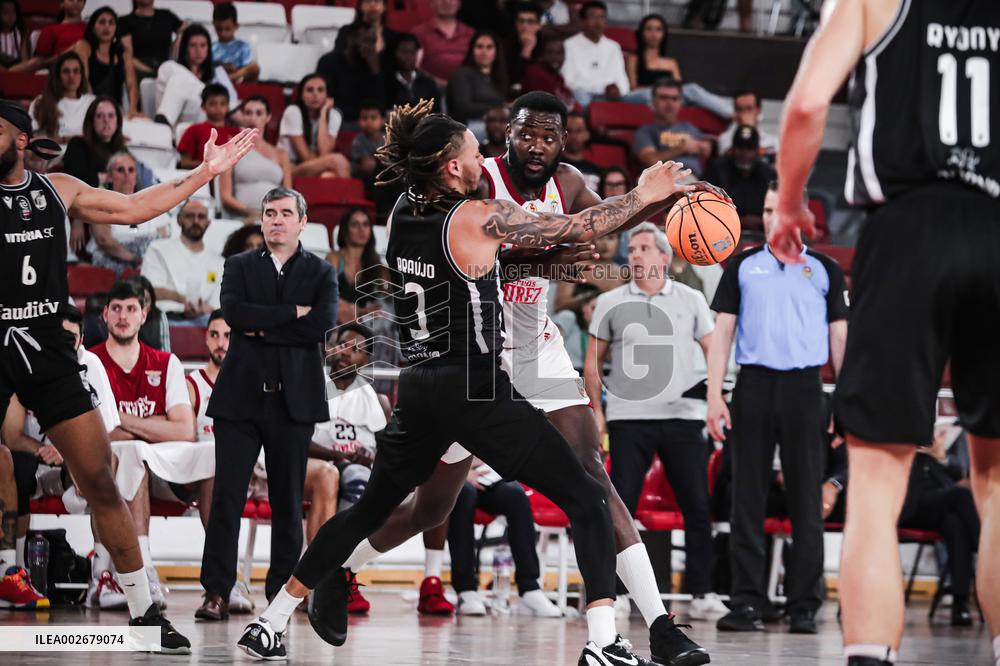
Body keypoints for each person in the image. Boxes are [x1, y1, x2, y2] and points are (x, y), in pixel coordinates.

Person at [237, 95, 710, 666]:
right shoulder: (477, 201)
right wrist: (636, 199)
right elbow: (561, 230)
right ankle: (601, 643)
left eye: (548, 135)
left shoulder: (407, 209)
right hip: (480, 376)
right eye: (482, 146)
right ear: (455, 164)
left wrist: (635, 211)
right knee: (440, 508)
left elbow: (553, 232)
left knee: (588, 479)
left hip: (452, 372)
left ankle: (273, 618)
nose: (494, 151)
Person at [769, 4, 999, 661]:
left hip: (908, 231)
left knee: (874, 481)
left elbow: (809, 103)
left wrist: (789, 204)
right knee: (997, 479)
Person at [0, 97, 256, 648]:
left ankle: (142, 609)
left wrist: (205, 173)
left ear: (21, 140)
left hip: (46, 348)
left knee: (101, 481)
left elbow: (137, 208)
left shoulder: (57, 189)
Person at [706, 181, 849, 634]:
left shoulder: (826, 269)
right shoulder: (744, 265)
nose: (771, 219)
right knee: (745, 495)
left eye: (780, 211)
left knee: (807, 496)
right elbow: (722, 332)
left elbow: (841, 339)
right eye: (766, 211)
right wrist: (715, 394)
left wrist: (843, 401)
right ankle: (747, 600)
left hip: (807, 388)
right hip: (753, 384)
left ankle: (804, 603)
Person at [200, 186, 337, 616]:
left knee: (287, 502)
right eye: (269, 213)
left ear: (302, 220)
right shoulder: (238, 264)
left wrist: (264, 325)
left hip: (293, 401)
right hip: (239, 400)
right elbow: (235, 315)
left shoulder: (321, 272)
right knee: (226, 498)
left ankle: (280, 593)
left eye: (284, 213)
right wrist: (289, 314)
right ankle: (217, 591)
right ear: (261, 220)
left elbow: (320, 325)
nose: (276, 220)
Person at [585, 222, 726, 621]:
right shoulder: (611, 302)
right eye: (632, 250)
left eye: (644, 248)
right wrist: (597, 412)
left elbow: (714, 352)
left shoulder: (692, 298)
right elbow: (593, 362)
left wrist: (715, 397)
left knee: (698, 506)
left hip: (684, 417)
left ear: (665, 257)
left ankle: (702, 591)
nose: (635, 255)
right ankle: (616, 593)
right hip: (629, 419)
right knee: (620, 507)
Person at [92, 280, 217, 605]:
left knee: (213, 457)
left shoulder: (165, 362)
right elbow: (97, 431)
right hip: (107, 468)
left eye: (131, 309)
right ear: (105, 314)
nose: (123, 316)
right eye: (116, 309)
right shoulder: (91, 362)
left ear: (144, 315)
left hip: (168, 472)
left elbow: (184, 431)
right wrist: (155, 427)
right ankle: (143, 568)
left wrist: (123, 419)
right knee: (134, 456)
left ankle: (223, 575)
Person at [4, 305, 117, 609]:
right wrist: (43, 450)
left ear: (81, 341)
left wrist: (67, 451)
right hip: (32, 458)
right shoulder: (24, 361)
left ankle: (101, 576)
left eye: (71, 340)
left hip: (72, 461)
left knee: (103, 469)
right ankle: (15, 572)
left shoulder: (91, 364)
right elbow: (13, 435)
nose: (64, 345)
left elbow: (108, 430)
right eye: (59, 338)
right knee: (19, 465)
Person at [448, 458, 563, 617]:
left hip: (486, 471)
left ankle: (530, 587)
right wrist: (463, 473)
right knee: (464, 493)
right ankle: (465, 590)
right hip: (455, 473)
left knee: (516, 495)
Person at [898, 425, 980, 627]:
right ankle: (987, 549)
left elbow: (957, 474)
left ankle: (960, 603)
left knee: (956, 525)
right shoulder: (899, 434)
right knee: (960, 496)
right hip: (908, 506)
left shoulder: (936, 436)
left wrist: (940, 455)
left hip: (937, 505)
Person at [623, 13, 731, 117]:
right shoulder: (633, 58)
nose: (653, 34)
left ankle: (733, 112)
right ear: (642, 32)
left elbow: (679, 88)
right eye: (649, 29)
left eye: (658, 29)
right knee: (655, 95)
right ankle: (733, 114)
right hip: (645, 95)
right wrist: (661, 90)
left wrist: (668, 93)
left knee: (695, 94)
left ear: (663, 34)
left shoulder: (671, 62)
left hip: (669, 97)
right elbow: (633, 87)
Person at [141, 198, 224, 326]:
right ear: (179, 220)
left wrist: (202, 308)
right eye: (190, 216)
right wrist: (184, 301)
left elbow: (219, 303)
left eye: (201, 217)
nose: (196, 221)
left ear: (208, 223)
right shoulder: (158, 249)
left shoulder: (219, 262)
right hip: (165, 319)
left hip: (206, 322)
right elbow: (149, 291)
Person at [87, 151, 170, 274]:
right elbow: (104, 240)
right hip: (110, 270)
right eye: (120, 170)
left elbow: (164, 239)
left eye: (131, 170)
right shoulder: (100, 205)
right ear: (109, 176)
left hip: (150, 267)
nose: (127, 174)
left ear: (136, 177)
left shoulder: (152, 203)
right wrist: (135, 259)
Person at [219, 96, 291, 220]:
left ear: (268, 117)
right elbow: (225, 196)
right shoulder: (231, 149)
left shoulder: (281, 154)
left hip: (276, 218)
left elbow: (289, 195)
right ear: (242, 117)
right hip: (243, 217)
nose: (253, 118)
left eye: (259, 113)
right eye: (248, 113)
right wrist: (251, 212)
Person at [155, 24, 237, 128]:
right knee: (169, 68)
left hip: (207, 121)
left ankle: (163, 124)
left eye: (203, 45)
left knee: (179, 78)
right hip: (179, 121)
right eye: (193, 45)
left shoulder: (218, 72)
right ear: (185, 48)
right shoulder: (176, 72)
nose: (198, 50)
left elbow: (232, 104)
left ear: (209, 48)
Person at [633, 78, 713, 177]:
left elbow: (707, 149)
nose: (669, 103)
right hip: (661, 179)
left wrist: (705, 146)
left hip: (693, 180)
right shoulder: (645, 131)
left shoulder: (689, 127)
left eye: (674, 98)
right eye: (664, 98)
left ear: (680, 103)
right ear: (653, 102)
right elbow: (651, 160)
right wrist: (683, 147)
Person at [72, 7, 141, 118]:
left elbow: (131, 84)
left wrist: (133, 109)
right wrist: (94, 106)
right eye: (102, 22)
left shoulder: (124, 53)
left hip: (114, 109)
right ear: (93, 27)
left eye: (111, 23)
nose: (107, 27)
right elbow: (83, 79)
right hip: (87, 107)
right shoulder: (83, 46)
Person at [703, 126, 776, 231]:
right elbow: (705, 207)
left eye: (749, 149)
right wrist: (740, 221)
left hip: (762, 233)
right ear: (733, 149)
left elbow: (778, 211)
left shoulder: (768, 174)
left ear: (757, 150)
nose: (745, 153)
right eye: (740, 148)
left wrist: (762, 220)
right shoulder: (716, 170)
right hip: (722, 231)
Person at [278, 74, 350, 179]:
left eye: (320, 90)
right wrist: (326, 161)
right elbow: (305, 157)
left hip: (314, 166)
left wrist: (323, 114)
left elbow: (324, 151)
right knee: (338, 160)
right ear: (301, 95)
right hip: (289, 168)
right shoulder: (293, 112)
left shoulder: (334, 115)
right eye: (310, 90)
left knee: (328, 176)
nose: (315, 94)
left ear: (327, 95)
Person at [326, 207, 387, 326]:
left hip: (366, 326)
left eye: (366, 224)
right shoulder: (334, 258)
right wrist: (360, 311)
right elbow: (325, 295)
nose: (361, 229)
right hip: (335, 321)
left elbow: (386, 303)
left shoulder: (378, 266)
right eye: (355, 224)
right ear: (345, 230)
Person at [561, 1, 629, 108]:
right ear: (582, 21)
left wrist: (619, 89)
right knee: (581, 95)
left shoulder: (613, 46)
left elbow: (622, 79)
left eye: (602, 17)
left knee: (647, 96)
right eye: (593, 17)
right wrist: (602, 88)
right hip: (584, 95)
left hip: (611, 97)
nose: (598, 22)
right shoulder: (569, 45)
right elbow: (568, 81)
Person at [318, 23, 382, 124]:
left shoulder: (371, 63)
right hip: (338, 119)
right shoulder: (329, 62)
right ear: (351, 39)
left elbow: (380, 103)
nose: (370, 46)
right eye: (365, 40)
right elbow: (326, 98)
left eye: (372, 41)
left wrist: (375, 72)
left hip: (366, 121)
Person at [446, 31, 508, 129]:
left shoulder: (499, 77)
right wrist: (498, 107)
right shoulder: (462, 75)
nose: (484, 51)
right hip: (468, 128)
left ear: (496, 51)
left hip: (495, 126)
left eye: (489, 47)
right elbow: (463, 108)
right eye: (479, 47)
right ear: (472, 50)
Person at [29, 51, 94, 143]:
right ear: (57, 75)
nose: (71, 76)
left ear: (82, 75)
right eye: (66, 71)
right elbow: (34, 137)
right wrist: (65, 140)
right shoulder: (41, 102)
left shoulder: (92, 102)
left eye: (76, 71)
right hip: (53, 154)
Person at [62, 96, 126, 187]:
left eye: (111, 116)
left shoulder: (122, 150)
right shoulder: (77, 145)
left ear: (118, 122)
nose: (106, 120)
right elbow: (78, 179)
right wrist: (107, 177)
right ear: (91, 121)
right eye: (99, 116)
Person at [177, 84, 240, 169]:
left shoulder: (237, 133)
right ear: (203, 106)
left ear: (228, 106)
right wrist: (212, 166)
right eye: (212, 104)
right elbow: (185, 163)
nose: (218, 108)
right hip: (203, 179)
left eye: (222, 103)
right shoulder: (193, 130)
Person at [411, 0, 474, 86]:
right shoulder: (418, 34)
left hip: (467, 89)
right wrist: (437, 83)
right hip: (431, 91)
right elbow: (413, 66)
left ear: (459, 3)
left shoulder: (471, 33)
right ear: (431, 3)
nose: (447, 2)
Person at [117, 0, 184, 78]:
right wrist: (149, 71)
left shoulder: (166, 16)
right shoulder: (124, 21)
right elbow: (127, 54)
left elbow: (186, 31)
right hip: (138, 70)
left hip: (165, 69)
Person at [380, 33, 440, 111]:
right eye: (404, 52)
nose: (408, 56)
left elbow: (436, 113)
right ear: (395, 53)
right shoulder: (386, 82)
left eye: (412, 52)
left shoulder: (428, 83)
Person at [520, 37, 578, 113]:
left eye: (559, 53)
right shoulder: (536, 74)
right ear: (541, 55)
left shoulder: (556, 76)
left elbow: (570, 101)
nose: (555, 58)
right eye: (550, 52)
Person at [717, 90, 777, 160]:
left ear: (758, 110)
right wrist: (748, 129)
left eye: (749, 109)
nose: (744, 113)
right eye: (740, 109)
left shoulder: (773, 141)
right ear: (735, 113)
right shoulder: (725, 139)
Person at [333, 0, 398, 59]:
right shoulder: (346, 31)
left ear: (384, 7)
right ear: (361, 6)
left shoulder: (393, 36)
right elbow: (338, 58)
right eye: (367, 1)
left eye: (377, 1)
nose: (372, 5)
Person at [212, 3, 258, 84]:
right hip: (216, 80)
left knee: (254, 67)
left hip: (238, 79)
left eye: (227, 29)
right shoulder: (210, 47)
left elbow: (249, 69)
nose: (223, 33)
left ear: (236, 26)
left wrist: (234, 71)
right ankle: (224, 79)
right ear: (213, 25)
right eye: (219, 29)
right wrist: (223, 67)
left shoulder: (243, 46)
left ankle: (227, 79)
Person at [504, 1, 543, 89]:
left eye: (530, 21)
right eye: (521, 21)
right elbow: (512, 78)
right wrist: (526, 51)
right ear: (516, 24)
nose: (524, 25)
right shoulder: (506, 44)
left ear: (539, 25)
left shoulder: (547, 45)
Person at [561, 112, 601, 191]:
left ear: (587, 134)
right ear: (562, 134)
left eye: (578, 131)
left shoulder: (597, 171)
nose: (574, 136)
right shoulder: (553, 167)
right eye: (569, 130)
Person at [351, 102, 386, 183]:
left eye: (373, 118)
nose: (369, 122)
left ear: (383, 120)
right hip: (367, 180)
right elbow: (367, 165)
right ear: (358, 121)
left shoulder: (388, 139)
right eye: (364, 118)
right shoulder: (358, 141)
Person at [0, 0, 32, 71]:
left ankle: (8, 73)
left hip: (17, 67)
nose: (11, 16)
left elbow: (25, 60)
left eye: (14, 12)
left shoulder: (21, 32)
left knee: (35, 62)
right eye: (6, 13)